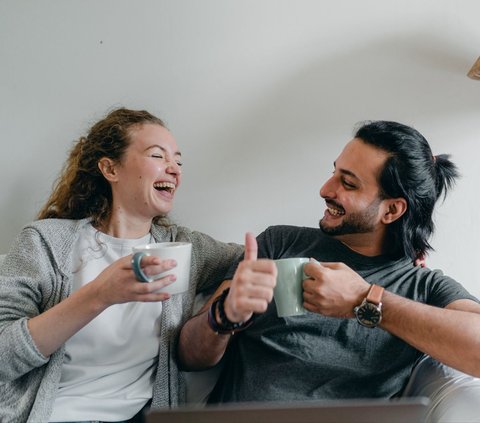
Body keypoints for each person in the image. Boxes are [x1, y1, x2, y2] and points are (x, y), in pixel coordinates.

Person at [177, 120, 480, 404]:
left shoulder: (422, 286)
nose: (325, 190)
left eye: (347, 184)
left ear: (391, 211)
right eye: (334, 172)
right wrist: (224, 314)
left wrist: (364, 301)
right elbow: (189, 356)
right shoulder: (280, 243)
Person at [0, 108, 243, 423]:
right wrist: (100, 294)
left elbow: (257, 256)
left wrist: (227, 298)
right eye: (158, 156)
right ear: (109, 168)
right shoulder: (45, 242)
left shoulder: (185, 248)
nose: (174, 169)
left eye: (179, 161)